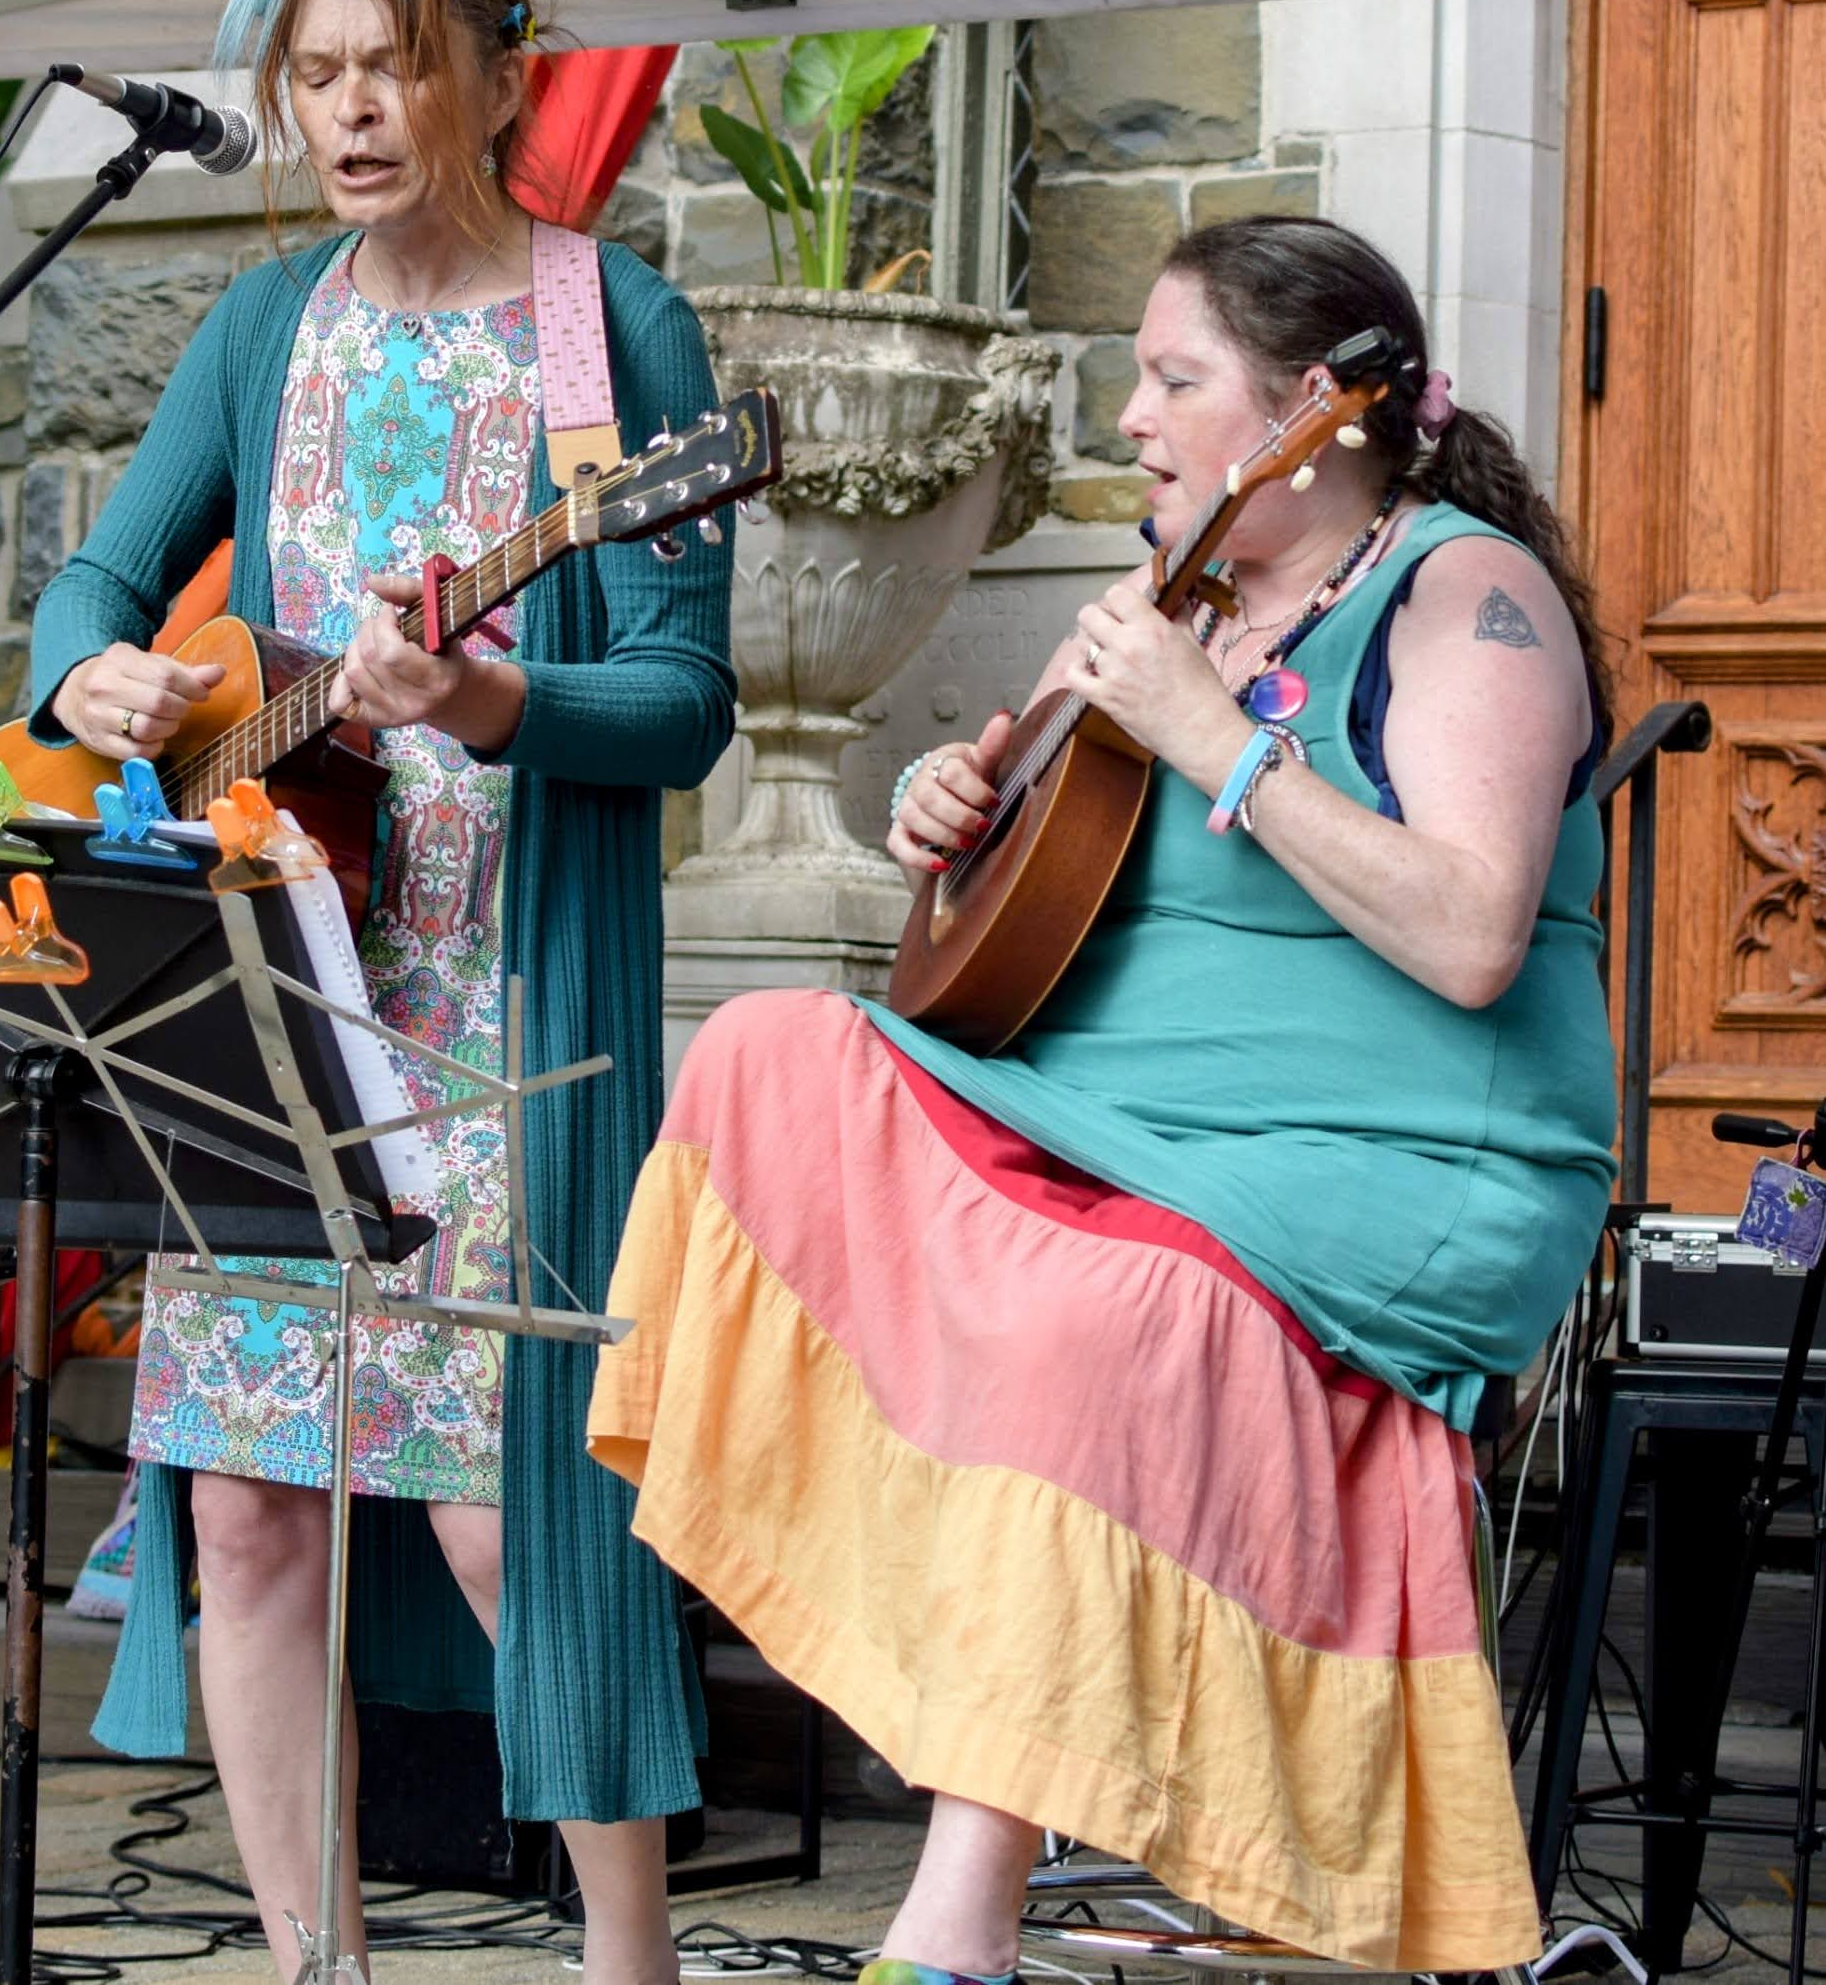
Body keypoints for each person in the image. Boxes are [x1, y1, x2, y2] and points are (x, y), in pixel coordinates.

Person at [591, 214, 1615, 1985]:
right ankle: (952, 1708)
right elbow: (1002, 906)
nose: (1127, 418)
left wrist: (1218, 735)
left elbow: (1466, 934)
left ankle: (955, 1923)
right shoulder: (1163, 607)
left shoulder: (1462, 593)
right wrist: (943, 809)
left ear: (1312, 406)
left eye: (1171, 379)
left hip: (1393, 1159)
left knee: (1107, 1318)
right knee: (766, 1050)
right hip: (1114, 1129)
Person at [32, 0, 733, 1984]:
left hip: (501, 994)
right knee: (249, 1499)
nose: (352, 108)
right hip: (270, 990)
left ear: (498, 79)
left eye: (392, 63)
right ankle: (308, 1959)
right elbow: (102, 581)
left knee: (505, 1502)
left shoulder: (618, 336)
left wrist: (492, 701)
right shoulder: (267, 327)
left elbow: (685, 694)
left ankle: (629, 1959)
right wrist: (100, 682)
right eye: (317, 72)